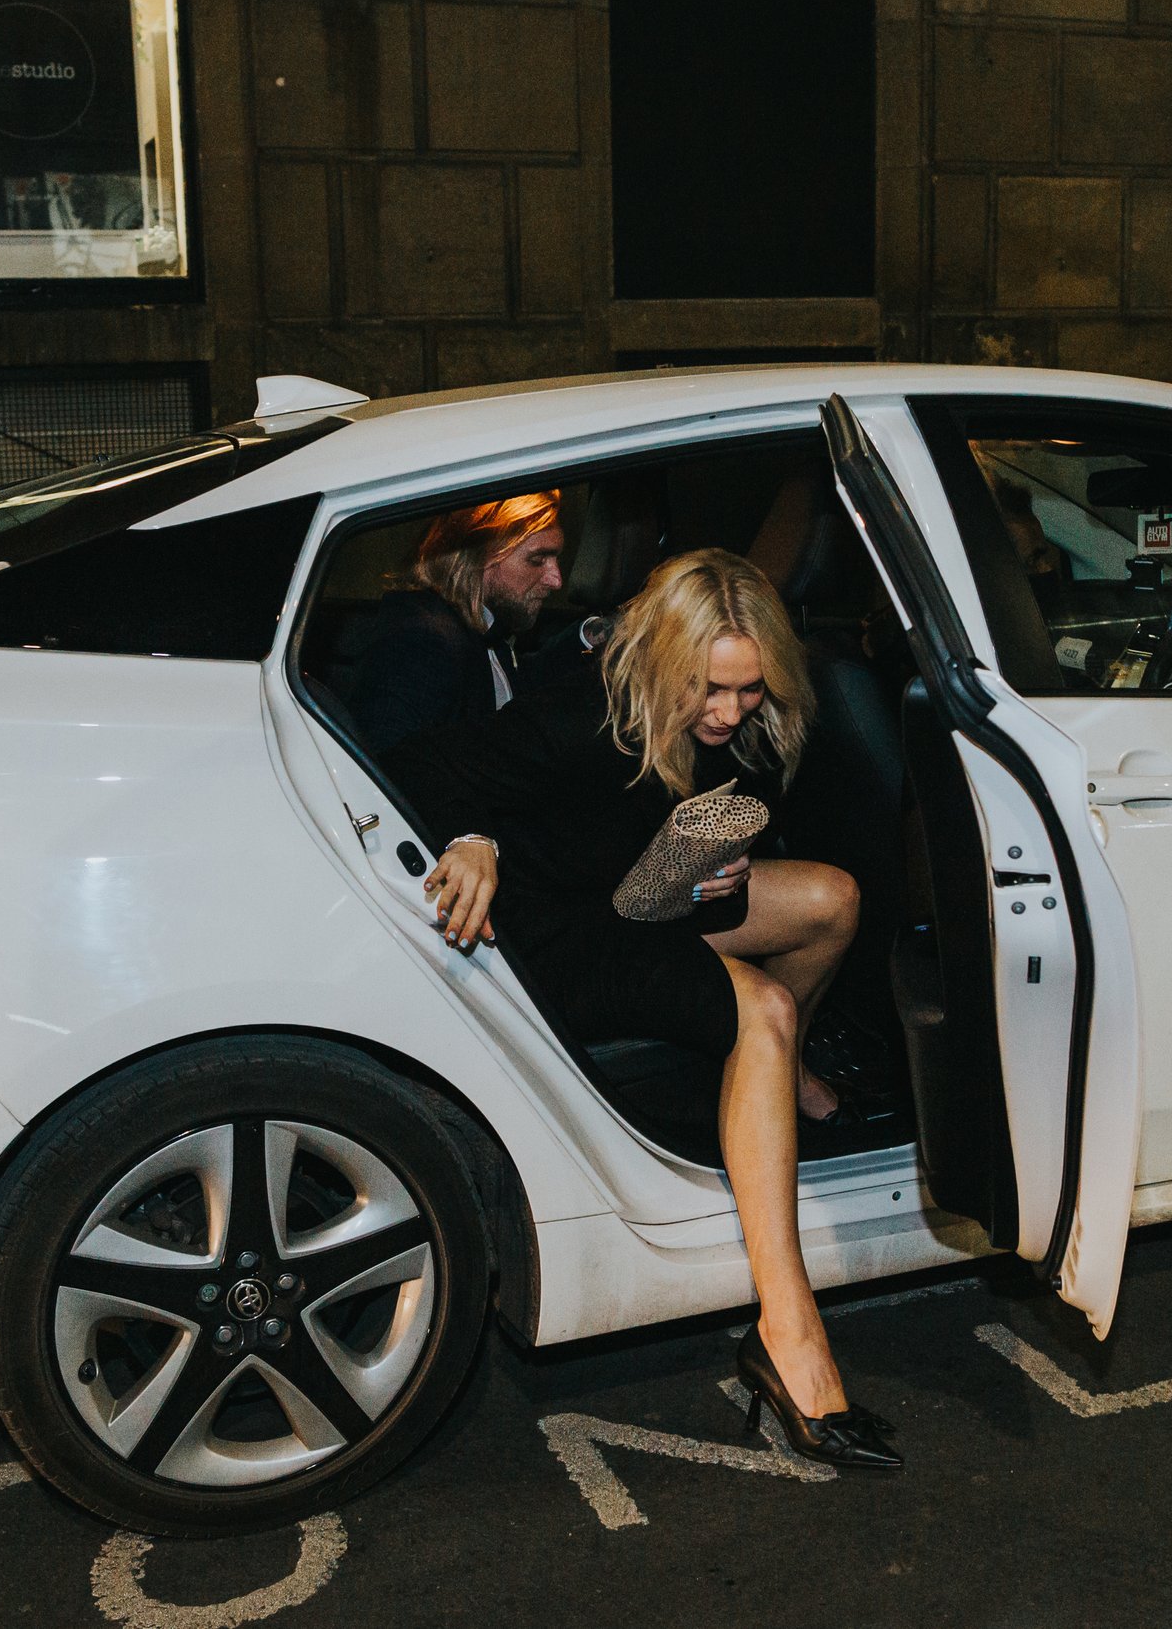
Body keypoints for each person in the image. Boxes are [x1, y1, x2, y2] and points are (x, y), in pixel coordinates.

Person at [387, 549, 899, 1470]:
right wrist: (477, 839)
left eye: (750, 688)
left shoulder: (755, 727)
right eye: (711, 688)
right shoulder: (589, 712)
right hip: (559, 930)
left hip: (646, 899)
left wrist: (712, 868)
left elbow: (667, 869)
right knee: (764, 1010)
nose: (730, 710)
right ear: (666, 660)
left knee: (832, 901)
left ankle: (773, 1078)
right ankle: (790, 1332)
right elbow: (418, 765)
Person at [350, 490, 576, 754]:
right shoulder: (421, 643)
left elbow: (512, 689)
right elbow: (394, 767)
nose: (556, 580)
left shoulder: (481, 625)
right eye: (537, 560)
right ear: (484, 555)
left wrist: (587, 636)